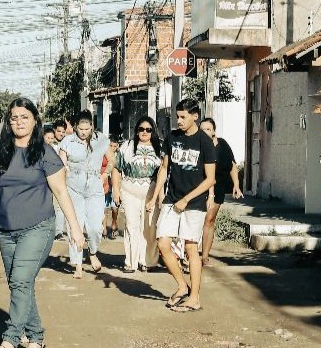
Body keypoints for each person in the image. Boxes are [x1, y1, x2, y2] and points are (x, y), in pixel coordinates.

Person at [0, 97, 83, 348]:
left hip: (38, 227)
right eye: (14, 118)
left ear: (35, 120)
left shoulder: (44, 152)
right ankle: (36, 338)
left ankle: (12, 337)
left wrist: (75, 228)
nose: (18, 122)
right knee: (20, 285)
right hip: (6, 230)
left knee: (21, 281)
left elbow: (60, 191)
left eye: (24, 117)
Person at [153, 98, 217, 313]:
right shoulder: (172, 137)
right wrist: (155, 197)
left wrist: (187, 199)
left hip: (194, 202)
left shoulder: (205, 142)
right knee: (162, 244)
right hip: (172, 199)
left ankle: (195, 298)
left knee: (191, 248)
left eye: (183, 117)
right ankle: (182, 286)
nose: (179, 121)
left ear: (195, 116)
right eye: (177, 117)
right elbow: (164, 168)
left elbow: (210, 179)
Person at [57, 110, 108, 275]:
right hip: (74, 188)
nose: (84, 132)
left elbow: (112, 160)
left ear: (92, 127)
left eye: (87, 129)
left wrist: (104, 175)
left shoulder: (100, 140)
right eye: (81, 128)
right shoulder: (67, 141)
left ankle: (92, 252)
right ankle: (77, 264)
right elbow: (61, 163)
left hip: (95, 188)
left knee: (94, 227)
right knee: (75, 226)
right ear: (76, 127)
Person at [111, 115, 164, 273]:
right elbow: (116, 169)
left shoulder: (160, 148)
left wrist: (160, 197)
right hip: (129, 191)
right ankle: (131, 262)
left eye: (148, 129)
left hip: (152, 193)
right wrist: (115, 190)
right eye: (141, 129)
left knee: (150, 228)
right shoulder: (126, 146)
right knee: (132, 226)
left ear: (153, 131)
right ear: (136, 131)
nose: (145, 132)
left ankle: (148, 261)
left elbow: (164, 172)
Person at [199, 117, 244, 262]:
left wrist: (236, 185)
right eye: (202, 129)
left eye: (208, 129)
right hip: (199, 186)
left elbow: (232, 165)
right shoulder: (197, 145)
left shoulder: (222, 144)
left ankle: (205, 256)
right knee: (198, 220)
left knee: (209, 220)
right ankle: (191, 253)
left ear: (213, 131)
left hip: (218, 187)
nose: (205, 132)